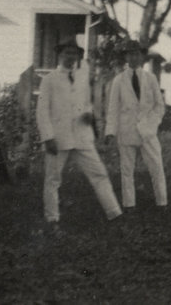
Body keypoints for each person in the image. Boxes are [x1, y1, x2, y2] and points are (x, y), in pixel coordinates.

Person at [36, 40, 122, 228]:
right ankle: (52, 218)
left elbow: (86, 102)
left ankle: (114, 212)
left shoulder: (82, 76)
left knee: (99, 173)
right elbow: (42, 111)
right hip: (58, 138)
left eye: (74, 53)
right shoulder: (49, 79)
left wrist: (88, 114)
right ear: (60, 55)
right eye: (67, 53)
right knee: (53, 179)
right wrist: (48, 137)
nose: (71, 57)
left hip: (82, 136)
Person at [105, 39, 168, 211]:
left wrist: (152, 124)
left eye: (136, 54)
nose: (133, 57)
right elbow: (113, 108)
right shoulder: (119, 80)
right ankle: (129, 204)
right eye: (129, 54)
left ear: (141, 56)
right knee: (127, 170)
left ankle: (162, 203)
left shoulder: (150, 78)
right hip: (126, 130)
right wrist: (110, 131)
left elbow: (159, 106)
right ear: (125, 57)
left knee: (156, 166)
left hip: (148, 131)